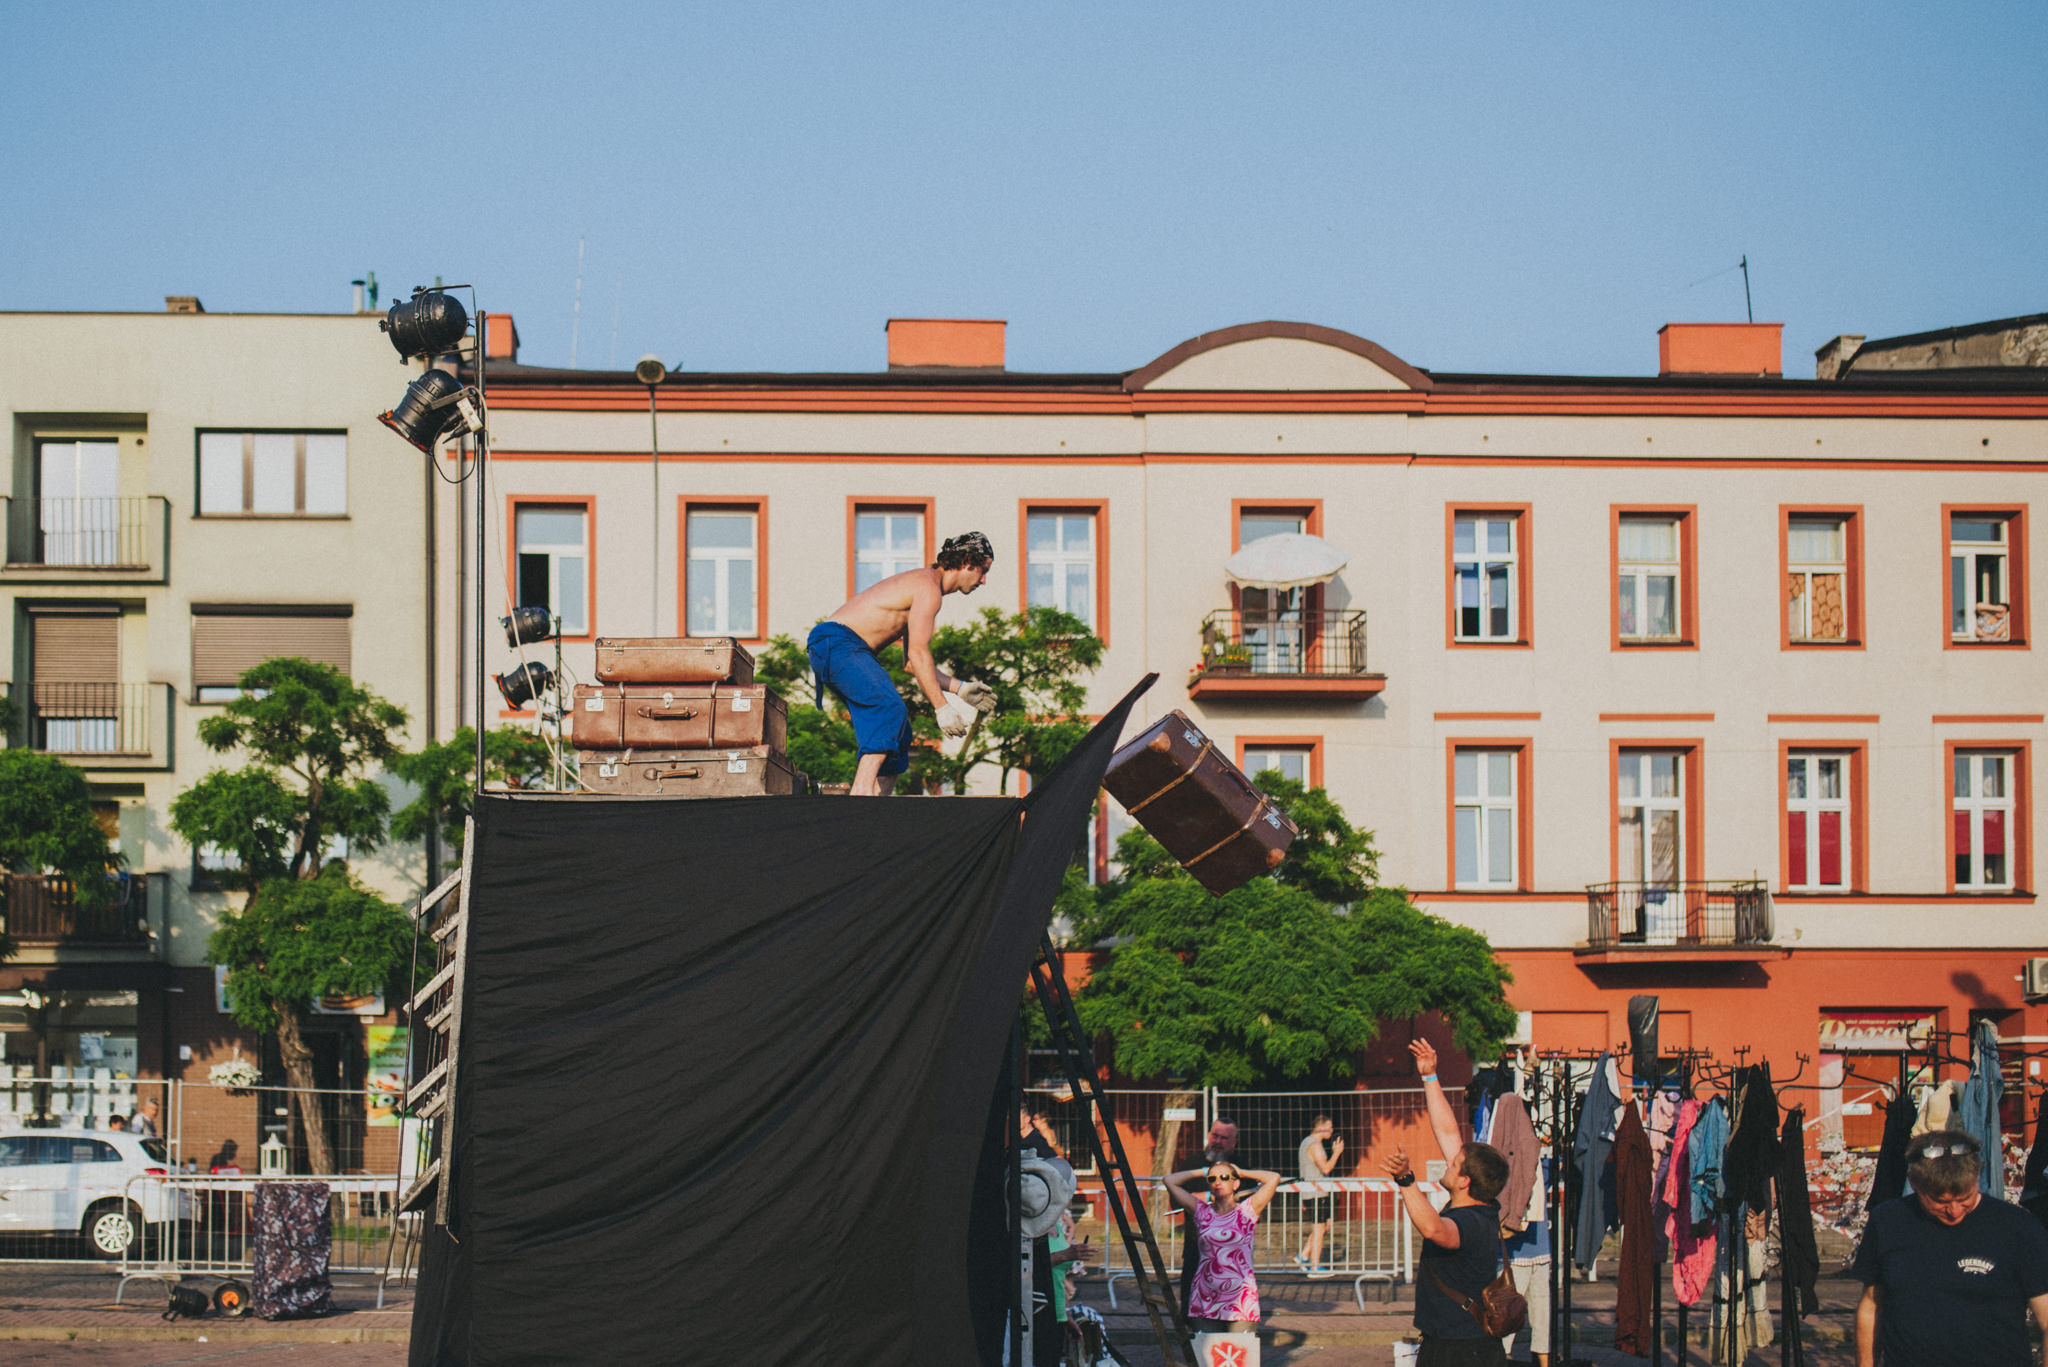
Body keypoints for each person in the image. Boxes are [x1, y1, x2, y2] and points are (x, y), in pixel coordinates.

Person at [806, 531, 996, 795]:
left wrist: (960, 688)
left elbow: (911, 663)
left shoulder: (924, 586)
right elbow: (919, 654)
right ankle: (861, 796)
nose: (984, 581)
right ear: (966, 561)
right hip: (837, 643)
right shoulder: (928, 588)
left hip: (841, 648)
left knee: (900, 731)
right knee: (887, 708)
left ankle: (879, 803)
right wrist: (942, 707)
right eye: (983, 571)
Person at [1852, 1128, 2048, 1367]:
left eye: (1965, 1198)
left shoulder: (2018, 1227)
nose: (1954, 1211)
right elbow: (1871, 1307)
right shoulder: (1887, 1221)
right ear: (1913, 1182)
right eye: (1940, 1201)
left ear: (1977, 1178)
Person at [1385, 1037, 1512, 1366]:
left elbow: (1433, 1229)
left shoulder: (1469, 1222)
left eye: (1455, 1164)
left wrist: (1406, 1181)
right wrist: (1429, 1077)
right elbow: (1446, 1130)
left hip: (1459, 1348)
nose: (1448, 1161)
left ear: (1465, 1181)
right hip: (1466, 1341)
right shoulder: (1482, 1207)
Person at [1164, 1160, 1284, 1334]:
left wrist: (1241, 1171)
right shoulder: (1201, 1211)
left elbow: (1273, 1178)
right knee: (1207, 1357)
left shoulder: (1247, 1211)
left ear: (1236, 1183)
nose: (1217, 1182)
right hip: (1205, 1297)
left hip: (1241, 1298)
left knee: (1241, 1357)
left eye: (1224, 1177)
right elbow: (1169, 1180)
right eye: (1212, 1179)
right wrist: (1204, 1170)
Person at [1294, 1114, 1345, 1277]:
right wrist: (1336, 1153)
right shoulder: (1315, 1145)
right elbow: (1326, 1169)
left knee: (1325, 1227)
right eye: (1329, 1127)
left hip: (1313, 1191)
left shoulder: (1306, 1143)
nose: (1332, 1131)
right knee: (1319, 1228)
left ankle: (1303, 1256)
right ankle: (1315, 1266)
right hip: (1316, 1192)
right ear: (1321, 1127)